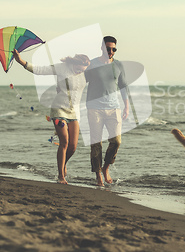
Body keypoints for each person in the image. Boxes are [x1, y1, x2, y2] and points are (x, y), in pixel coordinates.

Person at [13, 49, 90, 184]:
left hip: (74, 112)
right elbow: (39, 70)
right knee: (64, 142)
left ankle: (63, 164)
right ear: (74, 63)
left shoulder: (86, 73)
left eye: (82, 70)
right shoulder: (62, 68)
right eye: (78, 69)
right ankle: (61, 176)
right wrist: (20, 61)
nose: (80, 72)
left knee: (73, 146)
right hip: (59, 110)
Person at [85, 36, 129, 186]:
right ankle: (98, 174)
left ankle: (106, 168)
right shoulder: (91, 64)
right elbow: (80, 81)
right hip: (94, 109)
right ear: (102, 48)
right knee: (96, 144)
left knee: (116, 141)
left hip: (114, 108)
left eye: (114, 49)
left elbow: (123, 86)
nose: (111, 51)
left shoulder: (118, 65)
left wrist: (127, 107)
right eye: (108, 48)